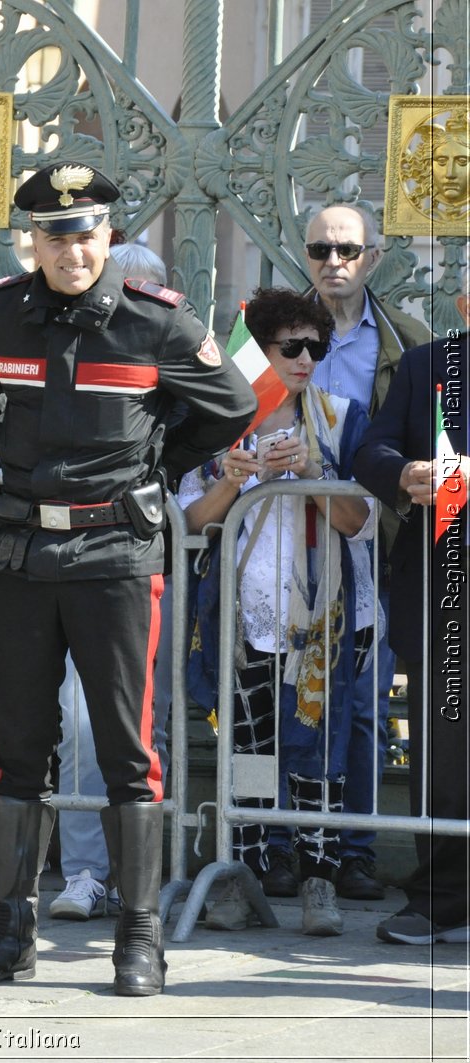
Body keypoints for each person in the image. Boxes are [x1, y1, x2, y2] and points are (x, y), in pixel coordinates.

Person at [0, 163, 255, 996]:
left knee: (126, 750)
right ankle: (8, 931)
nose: (71, 249)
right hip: (22, 552)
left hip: (116, 556)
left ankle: (139, 934)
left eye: (85, 233)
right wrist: (26, 459)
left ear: (108, 237)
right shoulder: (5, 310)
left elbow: (231, 405)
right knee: (17, 747)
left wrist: (153, 464)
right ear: (34, 242)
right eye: (55, 235)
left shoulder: (155, 323)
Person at [181, 288, 376, 937]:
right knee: (249, 746)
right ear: (258, 352)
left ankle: (319, 880)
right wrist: (232, 479)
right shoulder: (220, 421)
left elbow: (363, 522)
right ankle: (247, 875)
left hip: (320, 621)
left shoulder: (340, 416)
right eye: (289, 346)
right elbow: (190, 521)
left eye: (315, 346)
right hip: (240, 621)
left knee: (320, 750)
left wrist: (317, 474)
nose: (304, 358)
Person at [301, 203, 433, 904]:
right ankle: (287, 847)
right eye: (320, 248)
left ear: (373, 257)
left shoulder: (407, 341)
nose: (333, 262)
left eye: (347, 250)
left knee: (364, 705)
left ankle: (352, 849)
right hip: (282, 545)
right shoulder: (267, 332)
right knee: (291, 700)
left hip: (375, 547)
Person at [49, 240, 175, 923]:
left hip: (142, 559)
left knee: (138, 729)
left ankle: (140, 884)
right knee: (74, 722)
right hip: (69, 557)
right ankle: (82, 871)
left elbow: (207, 420)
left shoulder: (168, 343)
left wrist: (150, 485)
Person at [353, 311, 470, 946]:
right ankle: (440, 901)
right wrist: (403, 474)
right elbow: (371, 448)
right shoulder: (430, 365)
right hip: (443, 585)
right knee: (443, 754)